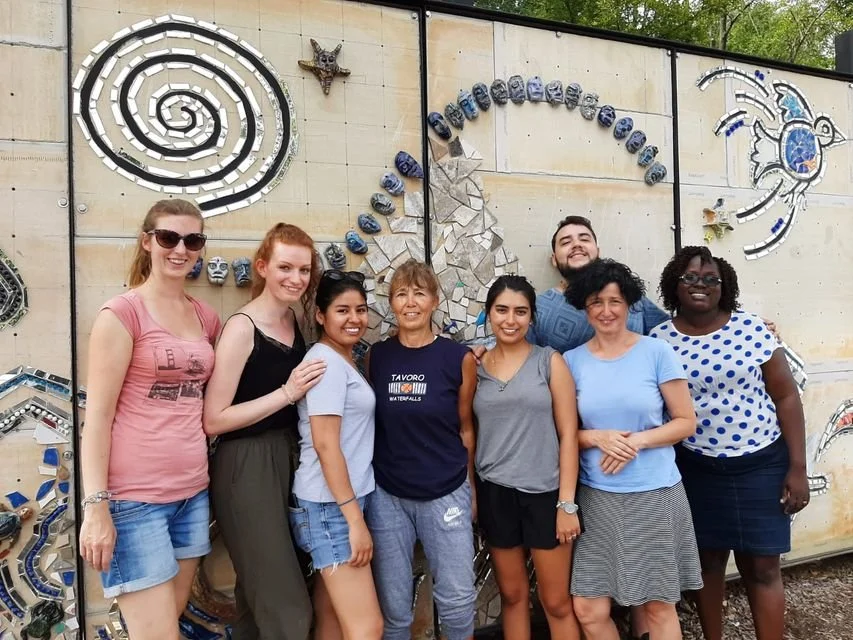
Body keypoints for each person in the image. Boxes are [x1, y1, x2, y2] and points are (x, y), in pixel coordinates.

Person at [79, 199, 221, 640]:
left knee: (164, 628)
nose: (180, 249)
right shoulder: (122, 315)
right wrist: (95, 507)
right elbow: (97, 419)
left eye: (192, 240)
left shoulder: (205, 317)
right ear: (148, 241)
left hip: (192, 495)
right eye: (168, 237)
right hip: (133, 500)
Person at [650, 246, 809, 640]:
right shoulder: (658, 340)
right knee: (706, 568)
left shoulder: (752, 328)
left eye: (710, 279)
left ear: (725, 287)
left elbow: (786, 395)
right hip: (698, 468)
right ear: (674, 284)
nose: (700, 285)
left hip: (762, 465)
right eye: (690, 277)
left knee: (763, 568)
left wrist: (798, 468)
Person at [563, 259, 702, 640]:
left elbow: (685, 422)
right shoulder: (570, 362)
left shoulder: (656, 353)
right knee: (588, 609)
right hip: (598, 499)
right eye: (596, 302)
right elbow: (561, 433)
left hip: (655, 495)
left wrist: (635, 441)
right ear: (584, 307)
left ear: (629, 305)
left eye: (615, 301)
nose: (606, 311)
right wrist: (597, 437)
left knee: (657, 605)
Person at [203, 223, 327, 640]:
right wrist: (287, 393)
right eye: (285, 267)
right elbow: (213, 418)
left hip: (288, 458)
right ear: (262, 267)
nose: (296, 278)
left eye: (304, 270)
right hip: (246, 465)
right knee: (285, 603)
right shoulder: (241, 328)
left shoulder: (295, 319)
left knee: (260, 596)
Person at [366, 259, 478, 640]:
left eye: (419, 293)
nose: (410, 302)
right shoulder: (377, 357)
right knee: (394, 608)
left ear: (434, 300)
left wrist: (471, 487)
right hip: (388, 495)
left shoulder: (457, 358)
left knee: (458, 601)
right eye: (401, 293)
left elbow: (465, 427)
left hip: (446, 492)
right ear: (391, 303)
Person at [474, 275, 582, 640]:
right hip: (496, 494)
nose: (510, 319)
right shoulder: (473, 367)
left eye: (520, 312)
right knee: (513, 595)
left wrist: (566, 504)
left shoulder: (549, 363)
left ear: (532, 318)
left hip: (545, 494)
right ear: (488, 314)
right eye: (501, 310)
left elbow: (569, 435)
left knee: (555, 602)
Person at [289, 270, 383, 640]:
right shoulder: (326, 364)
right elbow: (326, 445)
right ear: (320, 316)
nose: (354, 319)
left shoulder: (343, 359)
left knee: (332, 617)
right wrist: (354, 521)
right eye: (342, 310)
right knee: (367, 627)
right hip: (332, 507)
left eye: (360, 309)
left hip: (337, 501)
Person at [528, 215, 669, 354]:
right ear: (554, 259)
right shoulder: (538, 308)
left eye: (584, 239)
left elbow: (670, 334)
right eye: (565, 242)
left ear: (598, 252)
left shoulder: (628, 293)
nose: (577, 245)